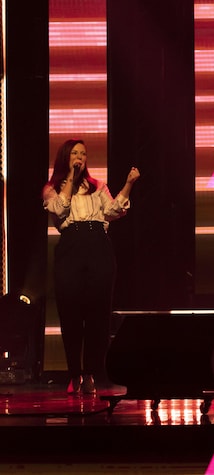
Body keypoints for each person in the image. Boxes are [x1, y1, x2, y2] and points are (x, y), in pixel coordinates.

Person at [42, 139, 140, 395]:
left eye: (84, 153)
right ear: (65, 156)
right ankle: (75, 373)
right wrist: (71, 181)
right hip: (71, 245)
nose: (80, 157)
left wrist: (129, 183)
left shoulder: (98, 187)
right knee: (71, 313)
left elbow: (114, 211)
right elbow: (59, 210)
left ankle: (94, 373)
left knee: (98, 313)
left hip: (98, 245)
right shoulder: (52, 188)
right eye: (75, 153)